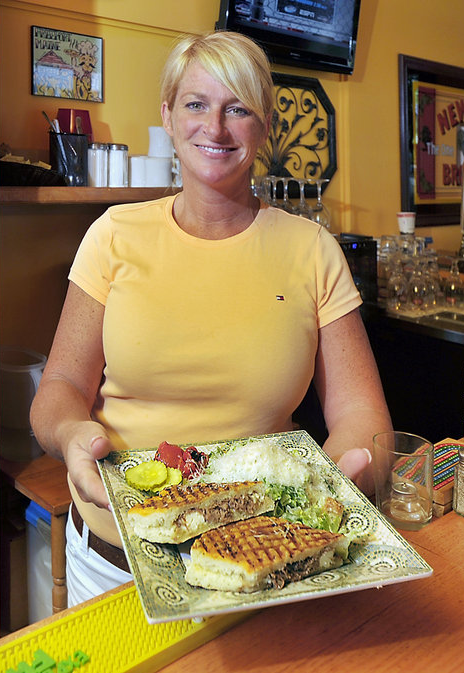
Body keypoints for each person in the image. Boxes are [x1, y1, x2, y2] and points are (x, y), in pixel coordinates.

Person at [30, 30, 392, 606]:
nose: (215, 128)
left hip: (267, 560)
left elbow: (360, 411)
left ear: (265, 125)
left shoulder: (312, 249)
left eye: (238, 109)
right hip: (115, 561)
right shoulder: (112, 238)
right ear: (169, 117)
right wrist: (72, 434)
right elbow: (62, 388)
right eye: (196, 105)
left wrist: (345, 479)